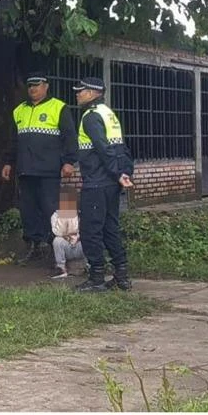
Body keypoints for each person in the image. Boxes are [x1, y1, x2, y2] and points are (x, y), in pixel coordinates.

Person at [1, 72, 77, 265]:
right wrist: (8, 161)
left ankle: (56, 250)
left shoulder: (58, 107)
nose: (33, 89)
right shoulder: (19, 110)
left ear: (46, 86)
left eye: (37, 85)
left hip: (49, 170)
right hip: (26, 170)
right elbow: (12, 139)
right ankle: (34, 247)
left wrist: (69, 161)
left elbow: (69, 137)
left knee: (51, 210)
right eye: (30, 86)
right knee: (28, 211)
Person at [72, 77, 134, 292]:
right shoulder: (109, 114)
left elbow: (103, 149)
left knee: (91, 230)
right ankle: (122, 275)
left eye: (81, 91)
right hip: (110, 183)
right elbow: (121, 148)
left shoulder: (91, 117)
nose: (77, 94)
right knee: (110, 228)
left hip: (97, 182)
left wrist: (118, 173)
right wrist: (125, 172)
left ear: (93, 93)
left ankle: (96, 277)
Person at [50, 190, 86, 279]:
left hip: (80, 245)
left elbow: (84, 230)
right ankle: (61, 268)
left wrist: (77, 237)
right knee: (57, 241)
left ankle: (90, 266)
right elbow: (56, 232)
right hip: (66, 245)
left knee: (90, 238)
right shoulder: (55, 216)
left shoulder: (81, 214)